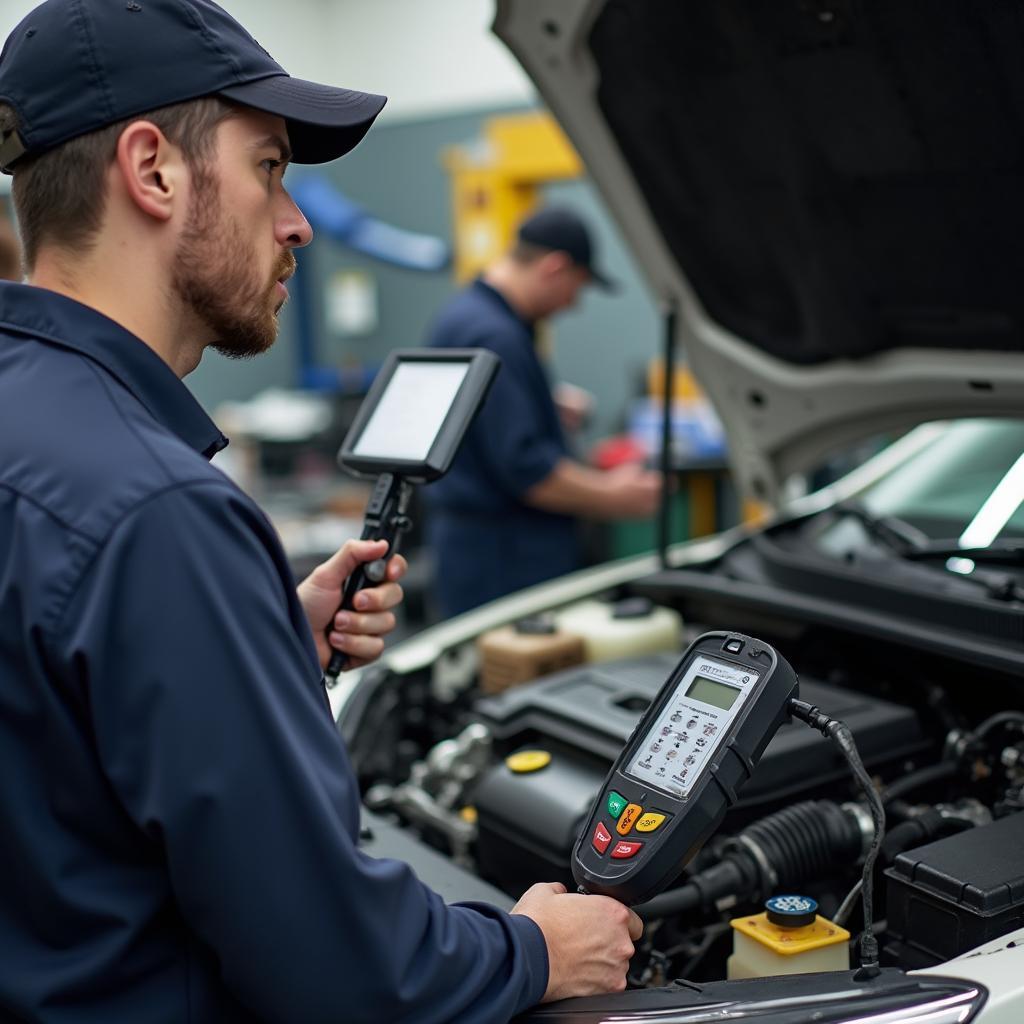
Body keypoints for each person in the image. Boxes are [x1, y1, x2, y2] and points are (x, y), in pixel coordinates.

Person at [0, 2, 641, 1022]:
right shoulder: (158, 512)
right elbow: (342, 972)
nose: (295, 220)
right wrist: (531, 949)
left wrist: (251, 645)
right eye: (269, 168)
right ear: (151, 168)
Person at [425, 206, 662, 617]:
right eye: (578, 287)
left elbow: (477, 418)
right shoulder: (496, 335)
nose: (573, 305)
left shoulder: (465, 315)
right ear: (555, 268)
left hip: (473, 552)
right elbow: (528, 472)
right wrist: (615, 496)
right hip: (507, 559)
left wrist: (541, 405)